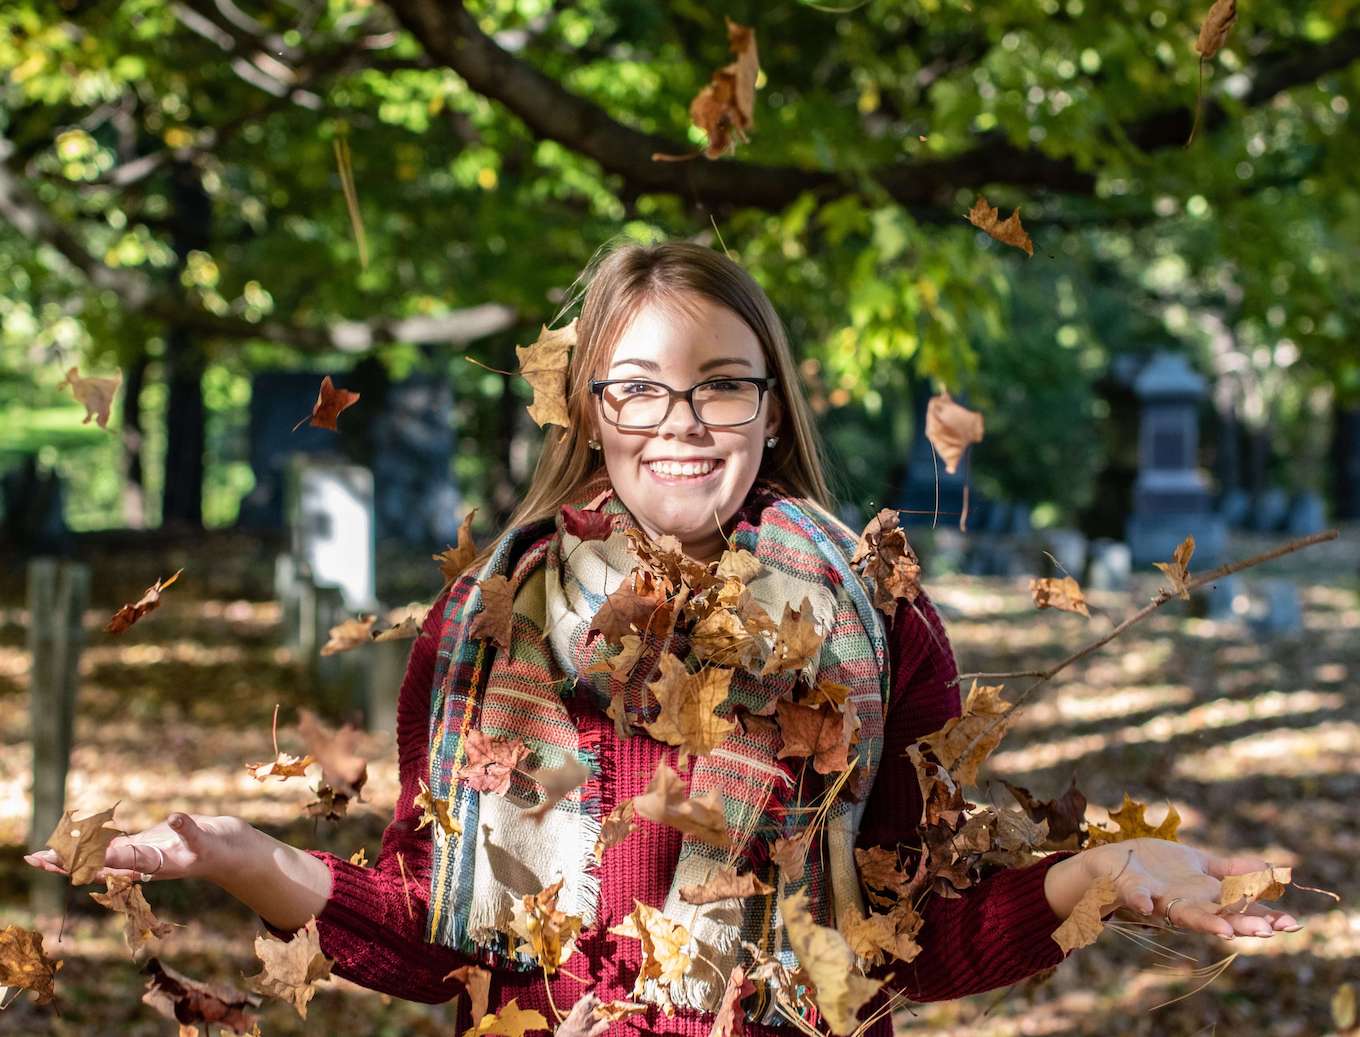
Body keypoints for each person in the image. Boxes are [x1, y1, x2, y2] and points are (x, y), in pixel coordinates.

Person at [27, 241, 1301, 1035]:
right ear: (587, 404)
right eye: (637, 385)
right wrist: (248, 854)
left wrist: (1093, 881)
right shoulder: (488, 625)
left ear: (768, 400)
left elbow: (903, 940)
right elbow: (437, 928)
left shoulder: (873, 621)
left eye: (720, 384)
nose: (680, 421)